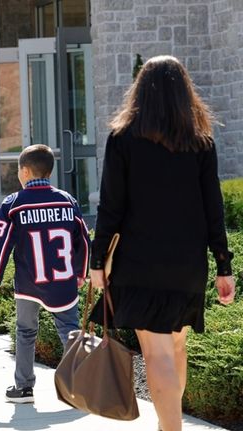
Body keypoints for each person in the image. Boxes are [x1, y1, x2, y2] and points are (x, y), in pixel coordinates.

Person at [88, 55, 236, 431]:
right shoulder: (200, 142)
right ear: (185, 92)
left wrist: (96, 261)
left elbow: (111, 207)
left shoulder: (122, 139)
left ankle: (170, 427)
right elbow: (212, 206)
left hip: (139, 262)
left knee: (156, 355)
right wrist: (223, 265)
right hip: (186, 263)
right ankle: (168, 423)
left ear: (140, 92)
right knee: (174, 348)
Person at [0, 144, 90, 404]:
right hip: (63, 281)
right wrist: (81, 272)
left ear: (26, 171)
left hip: (30, 282)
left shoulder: (14, 204)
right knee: (70, 331)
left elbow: (0, 245)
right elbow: (84, 241)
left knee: (25, 332)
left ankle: (24, 388)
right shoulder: (67, 200)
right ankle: (81, 388)